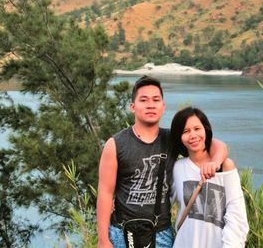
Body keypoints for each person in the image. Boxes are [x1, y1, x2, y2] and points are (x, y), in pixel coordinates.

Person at [97, 76, 227, 248]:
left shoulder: (172, 139)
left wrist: (216, 162)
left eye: (156, 100)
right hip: (121, 232)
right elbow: (105, 192)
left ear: (163, 107)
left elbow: (215, 144)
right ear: (132, 107)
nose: (151, 105)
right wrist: (103, 240)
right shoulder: (115, 144)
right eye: (144, 100)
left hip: (160, 234)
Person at [170, 107, 249, 248]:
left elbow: (236, 217)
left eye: (197, 128)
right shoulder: (178, 168)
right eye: (186, 131)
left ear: (206, 130)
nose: (193, 135)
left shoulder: (225, 167)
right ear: (179, 137)